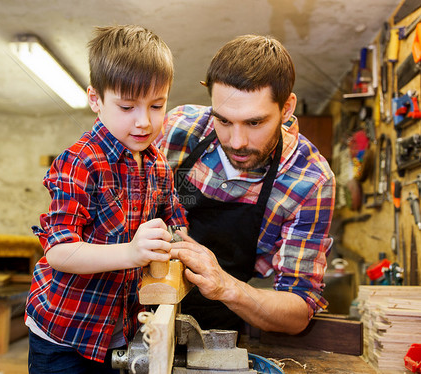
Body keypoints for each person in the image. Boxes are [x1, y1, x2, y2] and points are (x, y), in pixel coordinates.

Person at [25, 25, 187, 374]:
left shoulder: (158, 166)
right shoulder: (79, 161)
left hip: (121, 335)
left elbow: (178, 228)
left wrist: (177, 245)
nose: (144, 121)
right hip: (64, 335)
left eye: (156, 105)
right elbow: (59, 251)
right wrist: (132, 252)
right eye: (127, 106)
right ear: (95, 99)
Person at [159, 34, 335, 335]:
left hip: (219, 328)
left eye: (254, 123)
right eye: (224, 121)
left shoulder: (309, 182)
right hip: (143, 311)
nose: (237, 142)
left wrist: (225, 285)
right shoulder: (178, 129)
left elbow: (298, 311)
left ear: (287, 108)